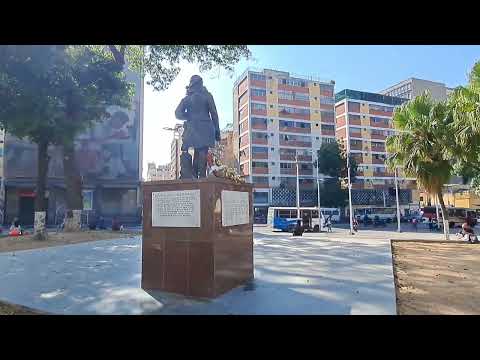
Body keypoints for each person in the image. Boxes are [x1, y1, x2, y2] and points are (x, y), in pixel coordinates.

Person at [175, 75, 221, 179]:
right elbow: (214, 114)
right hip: (206, 128)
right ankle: (202, 177)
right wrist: (217, 131)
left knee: (197, 151)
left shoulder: (187, 98)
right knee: (202, 151)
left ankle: (194, 177)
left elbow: (177, 113)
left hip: (192, 129)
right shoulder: (207, 96)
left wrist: (189, 116)